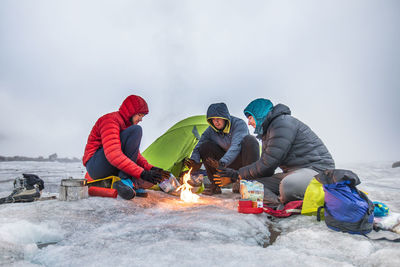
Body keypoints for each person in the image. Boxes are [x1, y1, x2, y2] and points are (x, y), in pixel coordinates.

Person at [214, 98, 335, 207]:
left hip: (316, 171)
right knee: (249, 186)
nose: (249, 122)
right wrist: (239, 179)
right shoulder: (268, 133)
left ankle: (289, 200)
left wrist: (236, 174)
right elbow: (266, 169)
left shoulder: (282, 123)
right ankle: (277, 205)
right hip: (293, 173)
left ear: (259, 114)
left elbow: (268, 164)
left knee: (288, 186)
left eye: (250, 118)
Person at [82, 95, 169, 200]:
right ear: (131, 112)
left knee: (151, 178)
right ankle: (125, 181)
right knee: (136, 130)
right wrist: (142, 173)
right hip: (95, 166)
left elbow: (134, 154)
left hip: (108, 165)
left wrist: (150, 168)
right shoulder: (110, 121)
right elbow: (113, 154)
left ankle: (128, 183)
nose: (141, 119)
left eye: (142, 116)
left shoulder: (126, 126)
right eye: (139, 115)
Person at [185, 102, 260, 195]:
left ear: (225, 118)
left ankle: (246, 183)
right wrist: (194, 161)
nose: (216, 122)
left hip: (241, 162)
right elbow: (198, 146)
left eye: (218, 119)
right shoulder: (210, 131)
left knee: (250, 140)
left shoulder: (239, 124)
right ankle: (215, 185)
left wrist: (222, 163)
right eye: (213, 119)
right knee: (205, 146)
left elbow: (236, 146)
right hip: (223, 164)